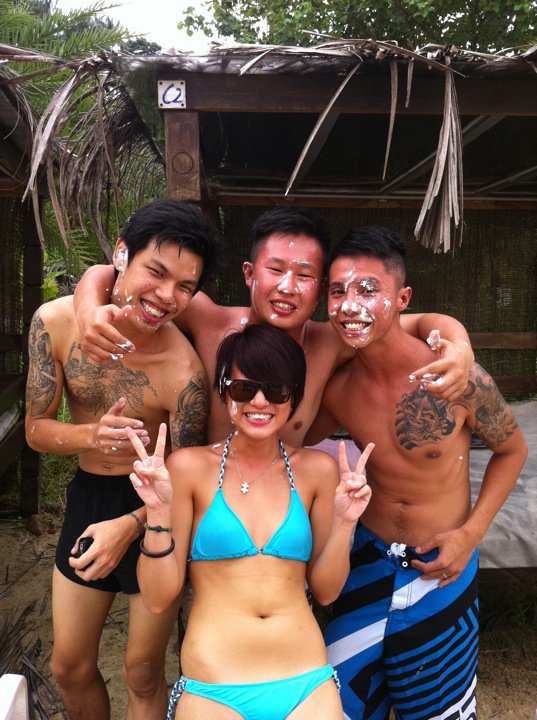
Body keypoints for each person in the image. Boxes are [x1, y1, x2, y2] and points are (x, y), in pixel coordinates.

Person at [305, 226, 528, 719]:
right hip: (367, 561)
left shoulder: (456, 378)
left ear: (402, 299)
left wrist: (471, 534)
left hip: (443, 565)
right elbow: (290, 437)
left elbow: (512, 450)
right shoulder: (340, 389)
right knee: (337, 704)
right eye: (338, 292)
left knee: (436, 709)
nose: (349, 305)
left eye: (368, 290)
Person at [25, 199, 220, 720]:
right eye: (156, 272)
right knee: (69, 665)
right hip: (89, 497)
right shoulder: (55, 323)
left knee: (142, 670)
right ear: (120, 255)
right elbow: (35, 431)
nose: (167, 296)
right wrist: (89, 435)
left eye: (185, 286)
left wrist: (131, 525)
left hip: (154, 511)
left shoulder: (183, 371)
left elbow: (186, 474)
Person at [126, 323, 373, 720]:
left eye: (276, 390)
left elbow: (327, 592)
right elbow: (157, 597)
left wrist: (345, 523)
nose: (259, 401)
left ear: (294, 397)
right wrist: (156, 512)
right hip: (214, 685)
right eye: (244, 389)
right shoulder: (189, 468)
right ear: (225, 393)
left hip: (306, 681)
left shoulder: (317, 471)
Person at [72, 207, 475, 446]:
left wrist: (459, 346)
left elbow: (416, 321)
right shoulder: (211, 320)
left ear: (321, 288)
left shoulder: (330, 340)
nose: (287, 287)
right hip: (205, 501)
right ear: (249, 273)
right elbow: (117, 273)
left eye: (304, 275)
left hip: (281, 512)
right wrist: (89, 309)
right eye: (276, 270)